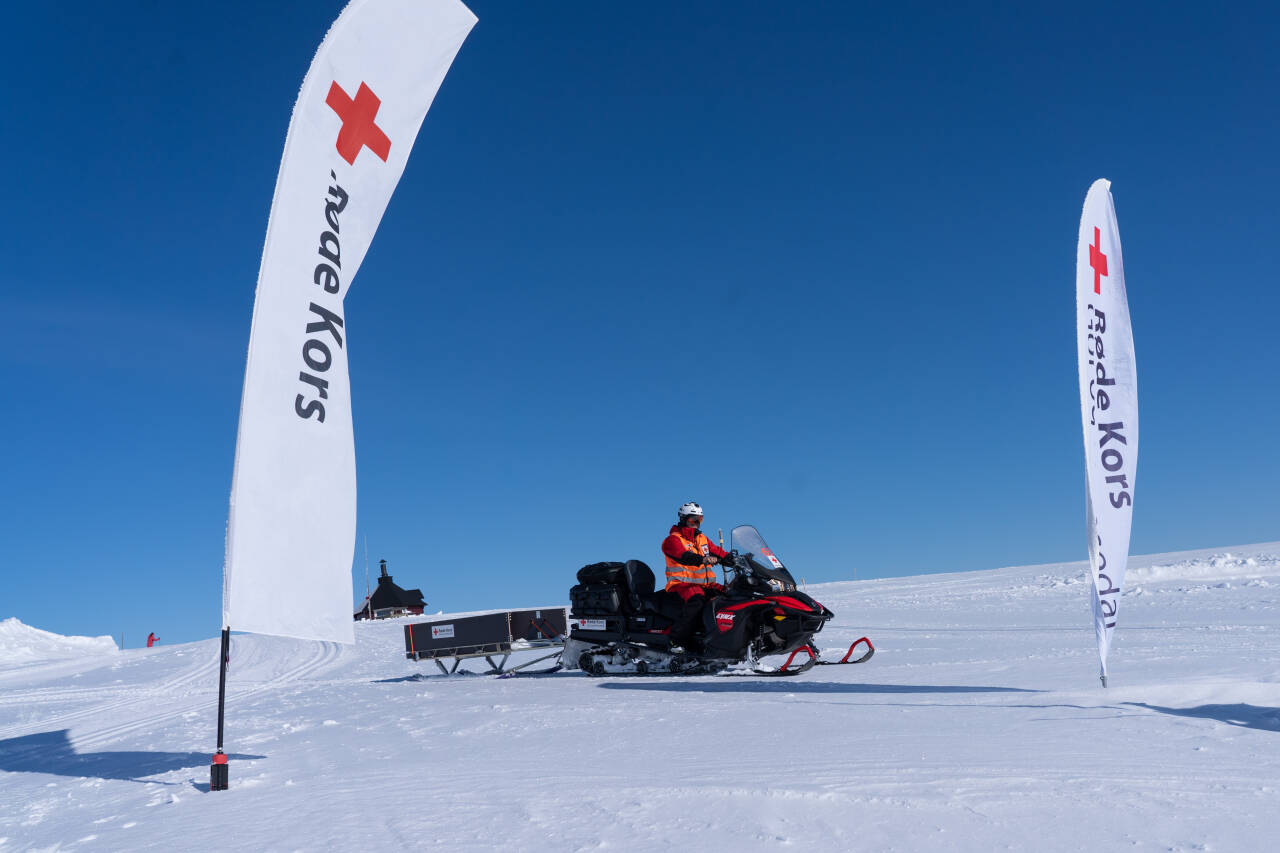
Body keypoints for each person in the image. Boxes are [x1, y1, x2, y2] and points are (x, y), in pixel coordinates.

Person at [660, 501, 730, 648]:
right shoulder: (673, 540)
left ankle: (721, 640)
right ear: (684, 519)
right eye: (693, 520)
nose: (697, 523)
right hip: (682, 585)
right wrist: (702, 559)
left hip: (705, 585)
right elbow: (683, 555)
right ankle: (676, 641)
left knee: (730, 594)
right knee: (697, 600)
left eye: (700, 520)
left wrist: (734, 559)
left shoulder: (702, 539)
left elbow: (719, 552)